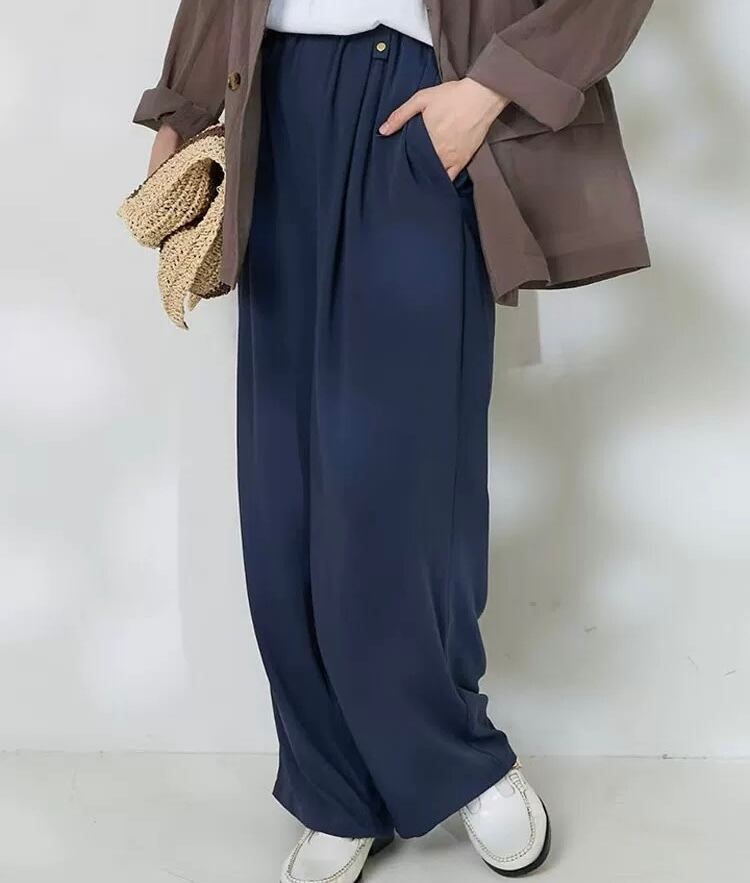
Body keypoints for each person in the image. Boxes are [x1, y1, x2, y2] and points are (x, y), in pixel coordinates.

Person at [133, 1, 653, 879]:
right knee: (286, 485)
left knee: (403, 477)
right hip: (276, 98)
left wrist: (488, 91)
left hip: (421, 97)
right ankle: (335, 786)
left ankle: (457, 756)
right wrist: (182, 110)